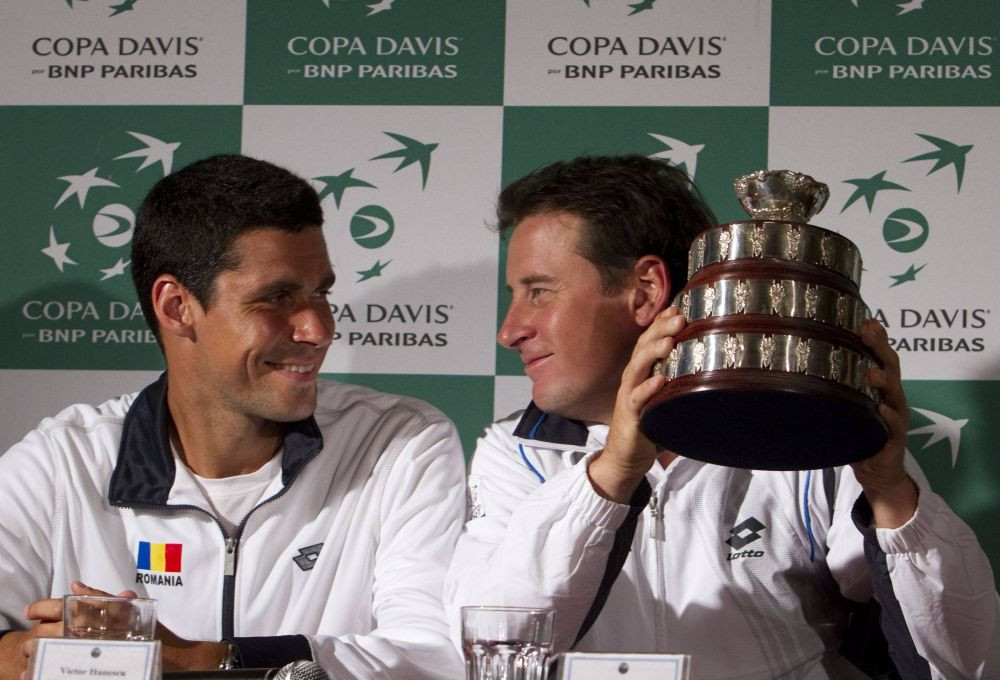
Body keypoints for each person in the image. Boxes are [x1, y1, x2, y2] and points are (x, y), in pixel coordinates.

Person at [444, 154, 1000, 679]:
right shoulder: (515, 452)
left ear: (644, 293)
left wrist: (891, 495)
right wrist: (611, 473)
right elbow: (495, 647)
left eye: (539, 292)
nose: (510, 329)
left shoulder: (815, 438)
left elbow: (969, 663)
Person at [0, 154, 466, 678]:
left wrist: (212, 662)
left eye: (321, 292)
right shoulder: (62, 463)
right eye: (277, 297)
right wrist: (30, 655)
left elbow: (434, 658)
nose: (318, 328)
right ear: (177, 306)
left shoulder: (399, 443)